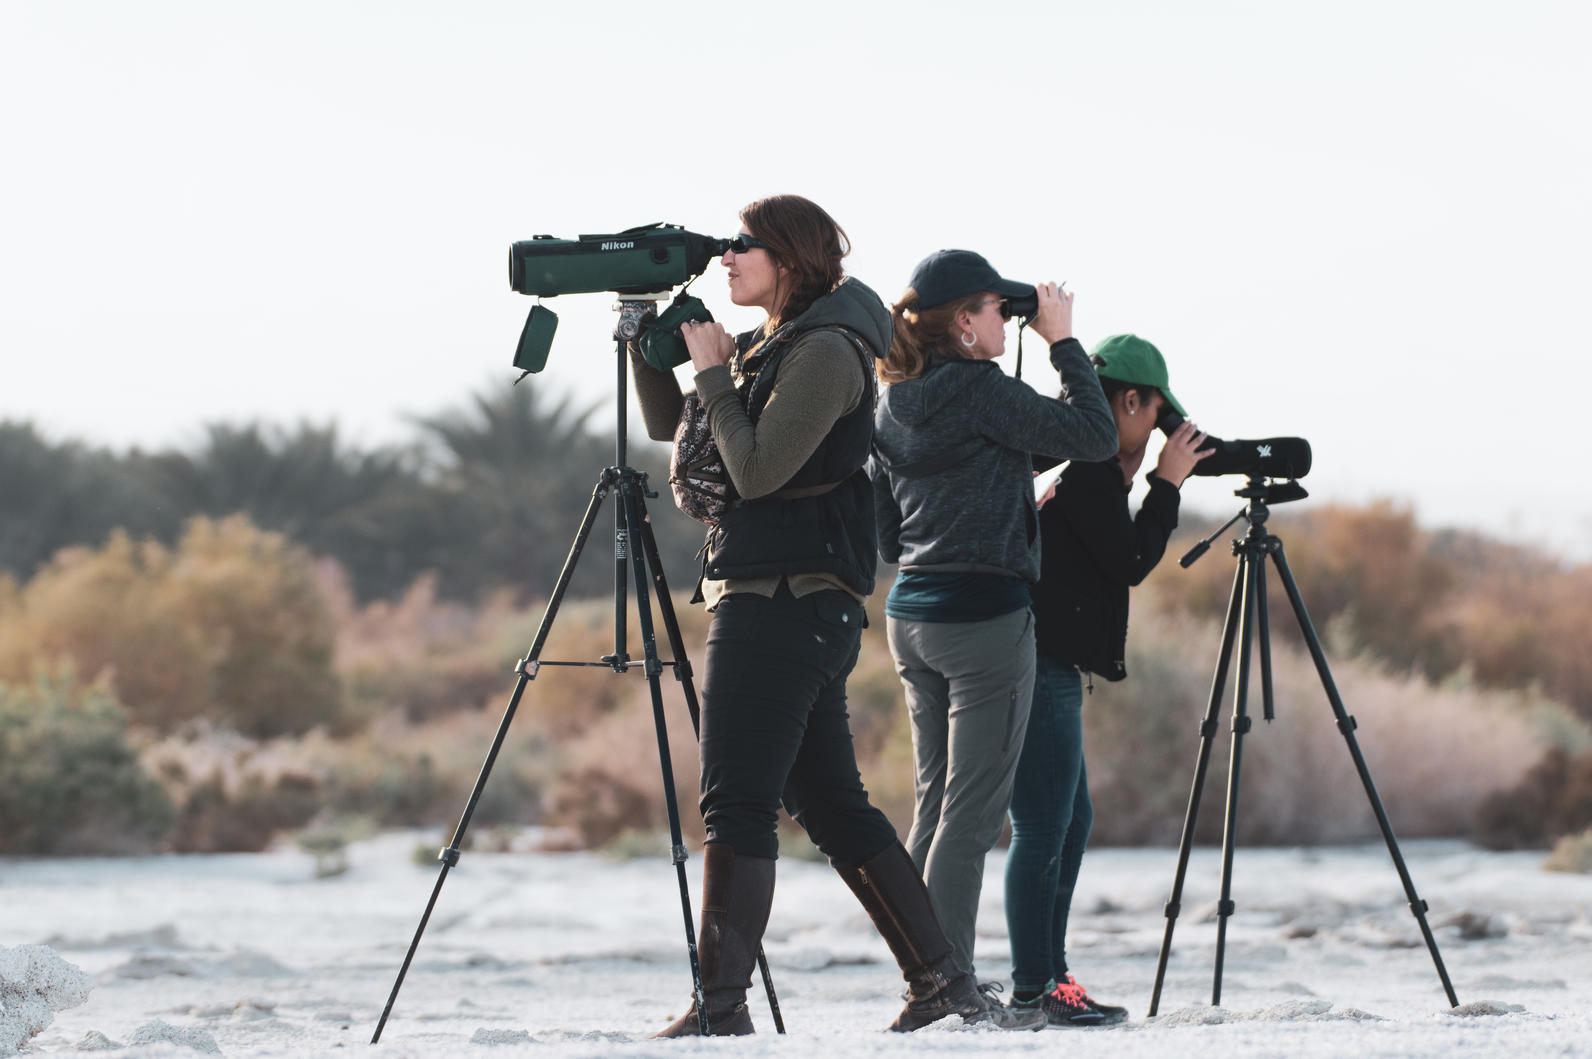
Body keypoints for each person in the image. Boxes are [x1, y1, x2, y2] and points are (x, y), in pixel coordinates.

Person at [628, 197, 1031, 1036]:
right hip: (786, 598)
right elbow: (677, 427)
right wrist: (647, 341)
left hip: (783, 597)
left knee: (737, 801)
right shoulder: (780, 344)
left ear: (790, 257)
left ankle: (721, 1005)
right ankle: (941, 981)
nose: (728, 258)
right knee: (833, 804)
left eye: (745, 246)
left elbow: (762, 469)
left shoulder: (823, 350)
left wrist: (712, 370)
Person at [870, 249, 1118, 990]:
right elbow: (1097, 436)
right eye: (995, 310)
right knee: (972, 818)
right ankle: (948, 984)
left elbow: (890, 538)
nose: (1007, 320)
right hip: (983, 617)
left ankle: (922, 973)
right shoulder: (981, 389)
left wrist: (999, 490)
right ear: (964, 325)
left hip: (911, 611)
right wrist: (1064, 342)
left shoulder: (888, 402)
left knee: (933, 804)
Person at [1003, 333, 1210, 1026]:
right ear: (1130, 400)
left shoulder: (1087, 468)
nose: (1159, 432)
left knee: (1069, 819)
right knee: (1043, 824)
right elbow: (1130, 559)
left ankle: (1049, 976)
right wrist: (1168, 483)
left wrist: (1145, 477)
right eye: (1155, 414)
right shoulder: (1089, 468)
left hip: (1045, 657)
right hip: (1037, 658)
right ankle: (1036, 985)